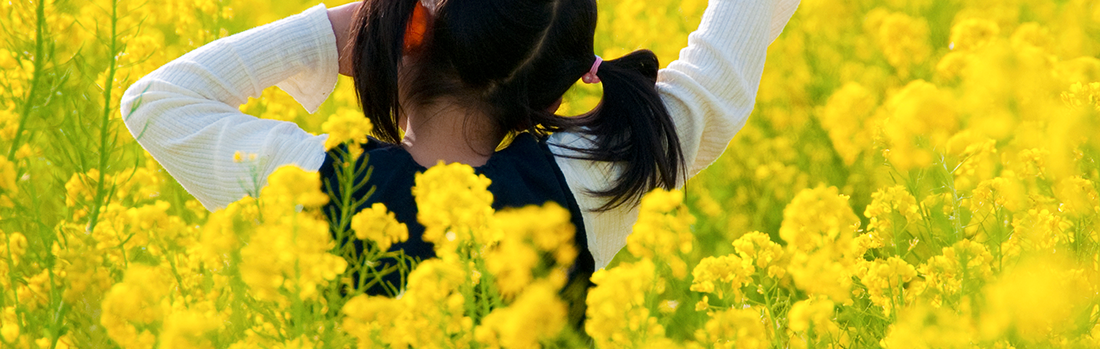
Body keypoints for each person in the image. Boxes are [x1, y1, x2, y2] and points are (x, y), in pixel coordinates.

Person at [121, 0, 799, 323]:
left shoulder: (317, 190)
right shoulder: (585, 182)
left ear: (408, 28)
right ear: (556, 88)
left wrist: (344, 29)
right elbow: (714, 82)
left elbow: (158, 102)